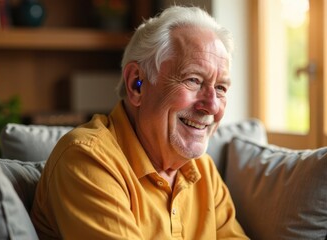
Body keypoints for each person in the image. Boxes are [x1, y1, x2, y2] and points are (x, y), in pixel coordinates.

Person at [31, 5, 249, 239]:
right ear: (137, 83)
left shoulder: (201, 169)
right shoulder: (86, 159)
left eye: (220, 88)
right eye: (193, 80)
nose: (213, 106)